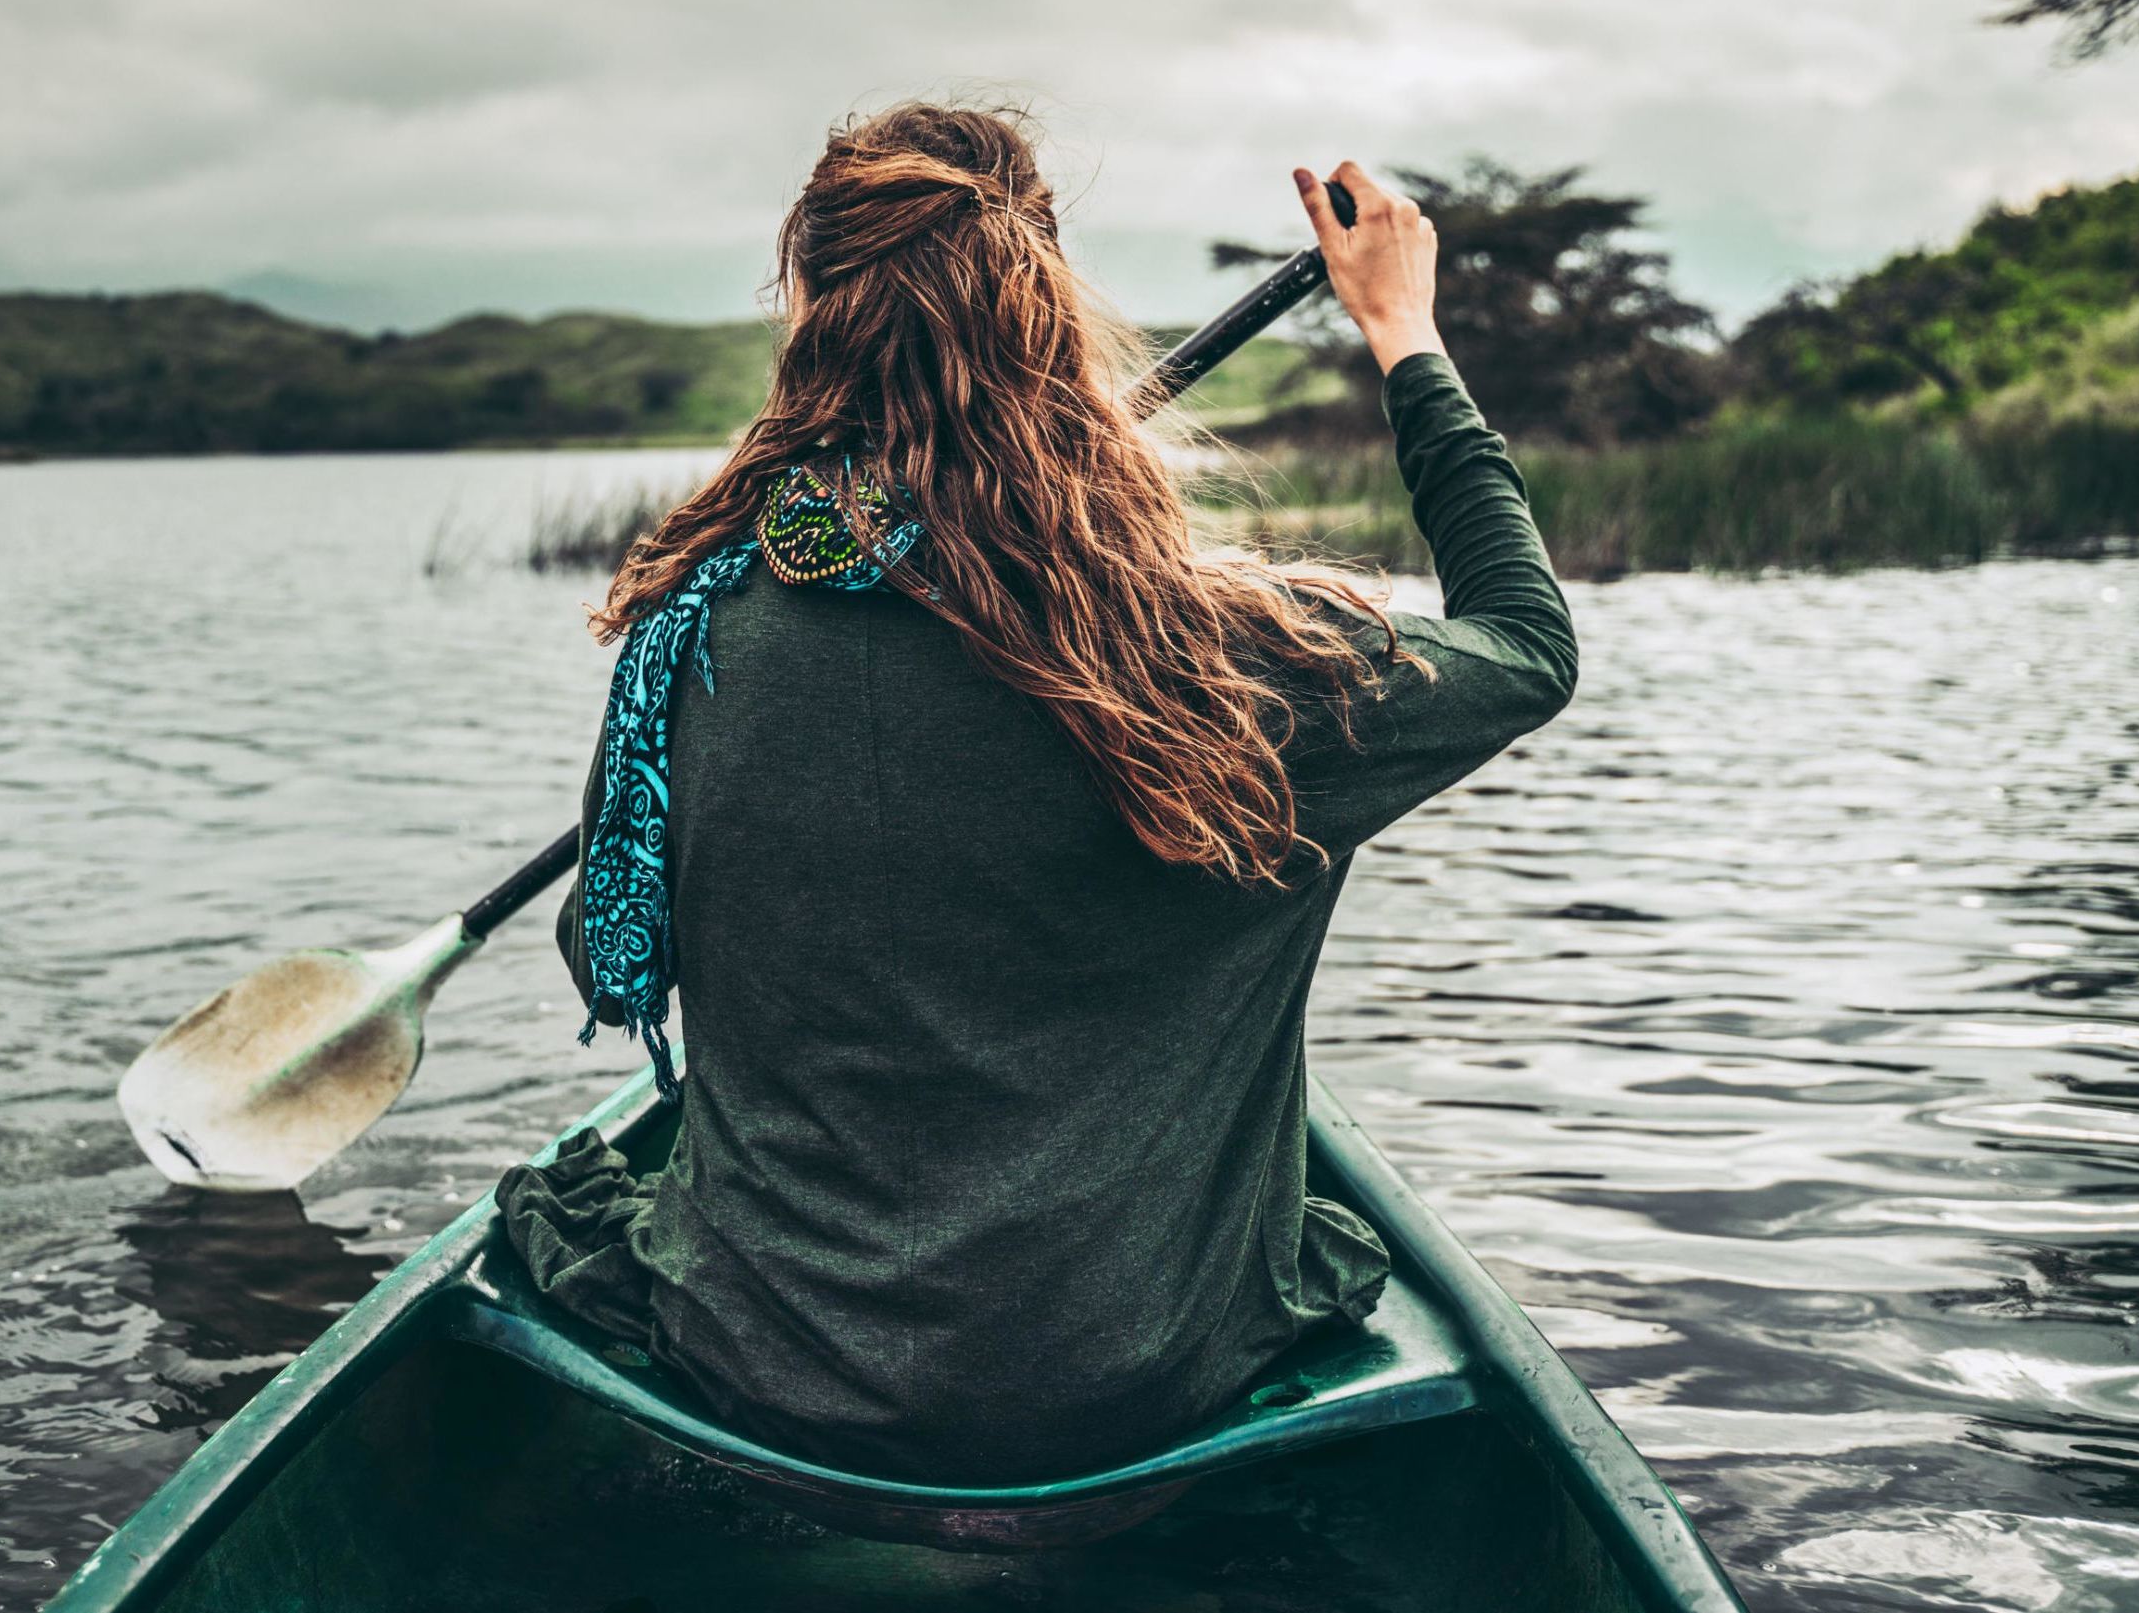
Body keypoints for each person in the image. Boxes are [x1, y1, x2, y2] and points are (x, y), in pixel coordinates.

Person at [494, 101, 1577, 1487]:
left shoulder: (689, 633)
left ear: (809, 316)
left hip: (769, 1367)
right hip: (1149, 1371)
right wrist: (1406, 338)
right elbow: (1528, 644)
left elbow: (607, 948)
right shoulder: (1211, 661)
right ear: (1046, 314)